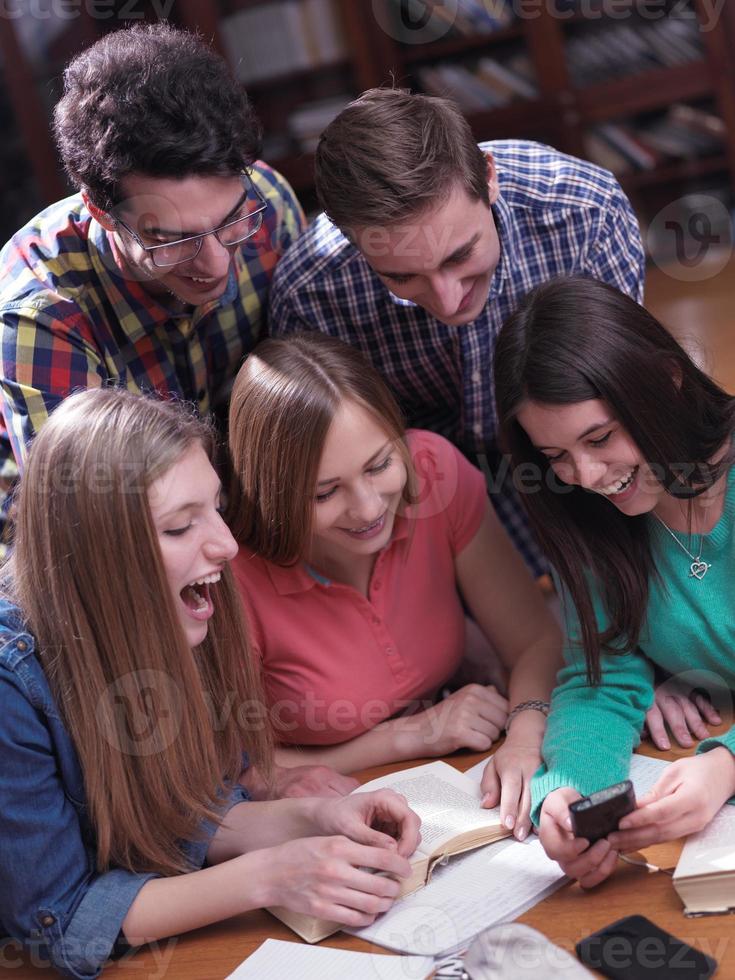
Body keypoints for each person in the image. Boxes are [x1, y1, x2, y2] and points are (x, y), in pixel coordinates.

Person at [0, 387, 420, 979]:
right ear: (99, 559)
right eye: (179, 528)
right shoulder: (10, 686)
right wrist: (271, 874)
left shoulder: (180, 616)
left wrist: (314, 819)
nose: (225, 544)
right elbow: (60, 924)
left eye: (216, 508)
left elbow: (182, 817)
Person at [268, 87, 645, 575]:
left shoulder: (583, 209)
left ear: (488, 178)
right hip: (412, 504)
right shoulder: (311, 292)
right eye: (402, 276)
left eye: (459, 256)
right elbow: (335, 478)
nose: (448, 299)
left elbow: (620, 396)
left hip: (575, 464)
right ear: (348, 237)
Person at [227, 333, 563, 838]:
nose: (367, 508)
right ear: (268, 496)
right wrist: (407, 736)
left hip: (456, 783)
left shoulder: (435, 472)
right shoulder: (233, 576)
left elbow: (535, 640)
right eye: (324, 492)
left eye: (380, 464)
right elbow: (231, 768)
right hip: (336, 815)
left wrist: (526, 729)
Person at [0, 22, 305, 546]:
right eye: (171, 239)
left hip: (252, 505)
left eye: (229, 221)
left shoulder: (269, 206)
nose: (213, 264)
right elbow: (98, 527)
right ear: (101, 211)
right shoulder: (41, 313)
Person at [493, 276, 735, 888]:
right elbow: (601, 677)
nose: (588, 475)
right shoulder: (594, 519)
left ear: (666, 381)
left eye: (600, 438)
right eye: (556, 457)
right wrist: (570, 791)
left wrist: (727, 767)